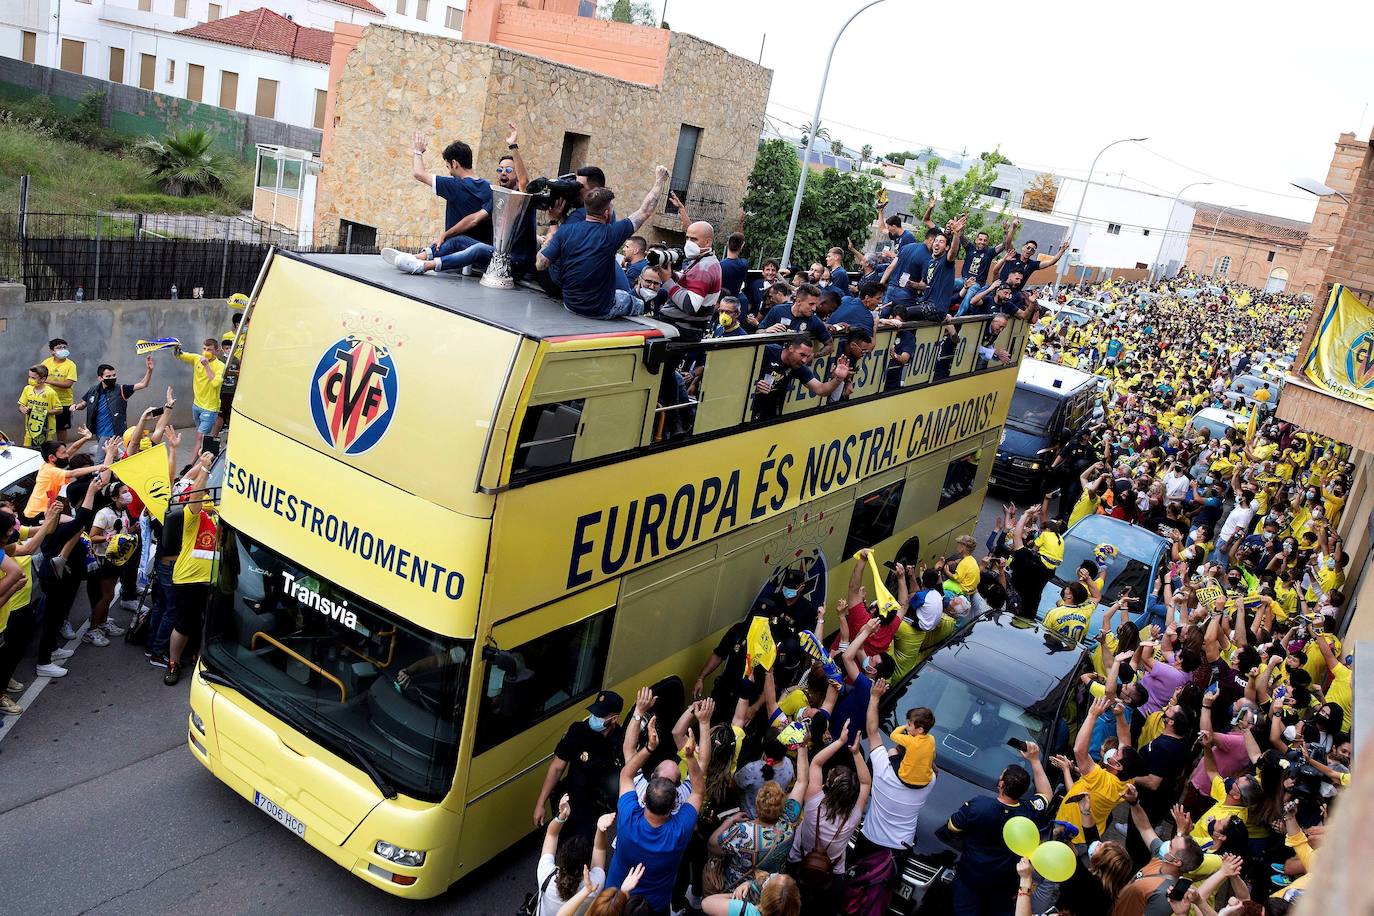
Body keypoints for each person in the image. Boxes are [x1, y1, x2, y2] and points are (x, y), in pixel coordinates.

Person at [535, 167, 670, 319]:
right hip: (600, 309)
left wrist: (550, 237)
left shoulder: (565, 231)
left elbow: (540, 263)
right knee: (635, 302)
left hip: (570, 305)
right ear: (606, 213)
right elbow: (645, 211)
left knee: (619, 292)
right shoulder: (612, 233)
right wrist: (660, 181)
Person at [607, 705, 705, 913]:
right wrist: (692, 750)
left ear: (643, 795)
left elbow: (626, 772)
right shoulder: (679, 830)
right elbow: (698, 790)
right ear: (674, 804)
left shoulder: (628, 816)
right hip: (654, 908)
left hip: (614, 902)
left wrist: (649, 746)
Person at [942, 740, 1052, 915]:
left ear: (1001, 784)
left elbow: (953, 827)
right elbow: (1046, 794)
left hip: (969, 881)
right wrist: (1035, 760)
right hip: (1004, 887)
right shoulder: (1029, 811)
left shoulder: (978, 805)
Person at [787, 724, 870, 914]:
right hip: (831, 874)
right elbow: (866, 782)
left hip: (797, 861)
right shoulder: (854, 816)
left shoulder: (814, 800)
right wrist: (856, 754)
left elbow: (816, 763)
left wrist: (840, 741)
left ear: (828, 785)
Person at [710, 745, 808, 890]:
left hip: (737, 889)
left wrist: (730, 820)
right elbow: (802, 782)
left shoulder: (742, 831)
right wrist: (802, 746)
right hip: (769, 886)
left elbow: (713, 846)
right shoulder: (788, 821)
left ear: (757, 804)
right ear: (783, 805)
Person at [534, 690, 626, 838]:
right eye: (594, 713)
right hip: (571, 799)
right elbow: (557, 768)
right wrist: (540, 804)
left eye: (599, 715)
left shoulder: (621, 740)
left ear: (614, 719)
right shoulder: (578, 731)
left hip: (596, 808)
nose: (594, 718)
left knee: (586, 849)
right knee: (562, 845)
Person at [162, 450, 217, 686]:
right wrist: (203, 469)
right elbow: (194, 498)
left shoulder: (218, 514)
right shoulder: (192, 514)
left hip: (213, 580)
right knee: (184, 624)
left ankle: (199, 657)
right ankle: (173, 662)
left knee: (207, 623)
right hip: (189, 579)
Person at [404, 132, 493, 268]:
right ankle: (416, 258)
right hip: (482, 256)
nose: (449, 172)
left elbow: (418, 173)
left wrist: (418, 151)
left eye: (448, 167)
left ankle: (415, 259)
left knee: (448, 243)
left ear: (454, 163)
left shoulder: (455, 185)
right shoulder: (488, 187)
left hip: (458, 256)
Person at [534, 796, 611, 916]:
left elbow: (551, 835)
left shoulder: (545, 874)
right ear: (586, 866)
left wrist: (561, 816)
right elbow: (599, 849)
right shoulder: (594, 886)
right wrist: (601, 829)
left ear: (561, 858)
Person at [749, 338, 850, 422]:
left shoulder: (798, 366)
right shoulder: (766, 351)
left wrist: (838, 379)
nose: (804, 360)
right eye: (802, 355)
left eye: (807, 356)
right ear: (791, 348)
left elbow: (821, 389)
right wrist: (754, 386)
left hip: (768, 411)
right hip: (744, 410)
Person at [73, 358, 154, 446]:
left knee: (100, 459)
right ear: (100, 378)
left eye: (114, 375)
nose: (112, 378)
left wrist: (149, 371)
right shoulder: (93, 390)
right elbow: (84, 404)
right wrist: (76, 406)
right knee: (110, 457)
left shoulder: (122, 389)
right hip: (98, 432)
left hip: (115, 434)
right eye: (108, 376)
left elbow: (143, 384)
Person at [174, 338, 224, 456]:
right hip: (196, 405)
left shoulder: (220, 366)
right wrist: (176, 348)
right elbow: (180, 355)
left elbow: (215, 383)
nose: (206, 352)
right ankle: (212, 452)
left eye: (209, 350)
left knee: (199, 436)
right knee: (203, 436)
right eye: (204, 349)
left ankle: (190, 466)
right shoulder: (197, 358)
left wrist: (206, 366)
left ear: (216, 351)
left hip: (210, 408)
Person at [41, 338, 79, 443]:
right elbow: (39, 376)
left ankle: (62, 449)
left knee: (61, 428)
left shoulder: (71, 365)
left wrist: (48, 381)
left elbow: (68, 384)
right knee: (44, 427)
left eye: (64, 347)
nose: (62, 349)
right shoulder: (46, 362)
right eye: (59, 348)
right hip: (47, 401)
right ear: (52, 351)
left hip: (64, 402)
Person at [17, 365, 61, 448]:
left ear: (43, 379)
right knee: (28, 450)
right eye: (29, 377)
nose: (30, 379)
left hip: (46, 430)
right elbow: (21, 406)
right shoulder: (27, 389)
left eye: (33, 378)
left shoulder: (50, 393)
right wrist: (23, 409)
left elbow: (59, 410)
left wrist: (42, 413)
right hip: (30, 428)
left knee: (42, 452)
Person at [719, 234, 750, 301]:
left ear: (727, 244)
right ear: (742, 246)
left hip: (721, 301)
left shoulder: (719, 265)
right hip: (736, 300)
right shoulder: (744, 264)